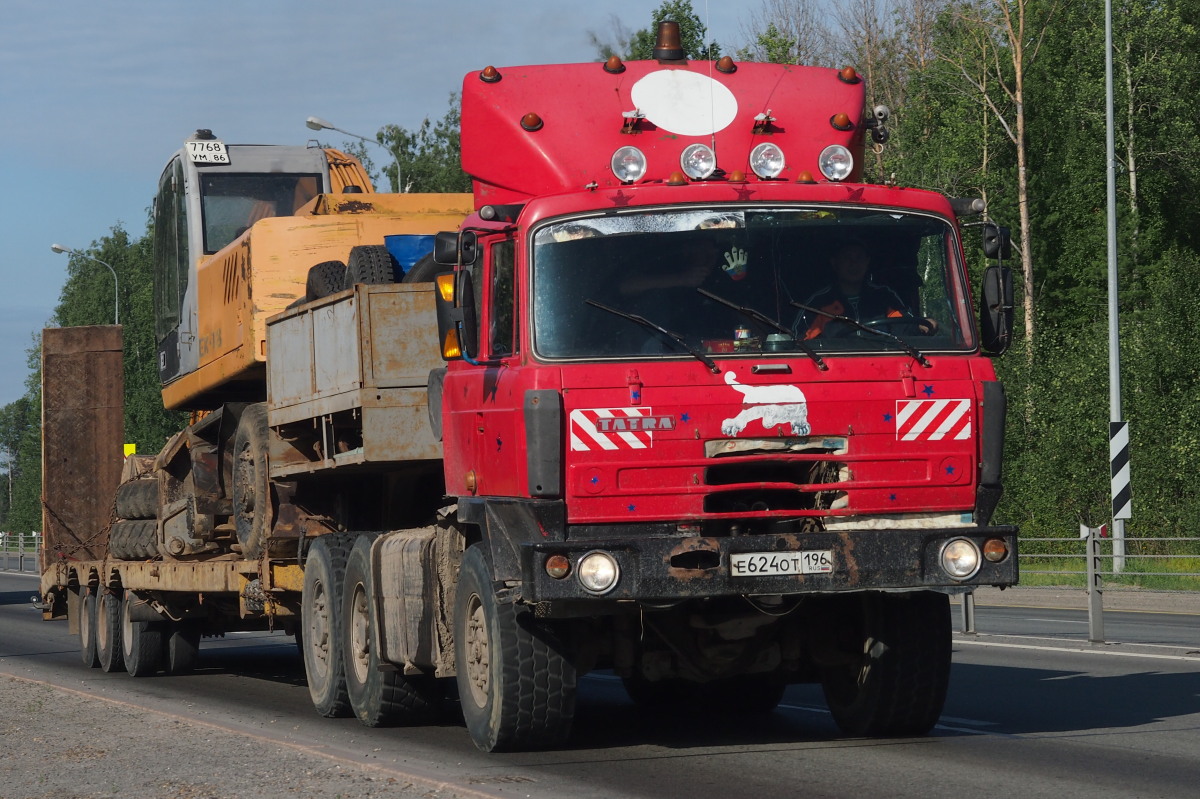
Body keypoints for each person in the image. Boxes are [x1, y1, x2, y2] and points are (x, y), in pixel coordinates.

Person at [796, 241, 937, 339]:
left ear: (867, 262)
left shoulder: (884, 297)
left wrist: (922, 324)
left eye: (859, 258)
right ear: (835, 263)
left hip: (883, 365)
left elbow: (905, 326)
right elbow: (801, 342)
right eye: (847, 258)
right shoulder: (818, 303)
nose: (854, 264)